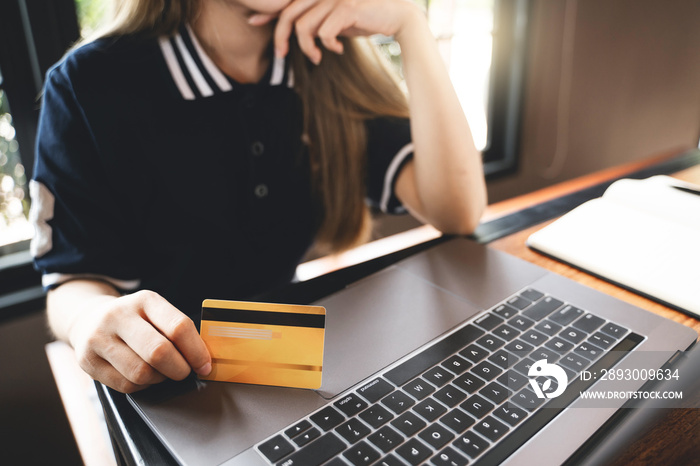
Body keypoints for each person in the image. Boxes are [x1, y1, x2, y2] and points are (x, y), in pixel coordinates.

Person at [30, 0, 487, 394]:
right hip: (167, 381)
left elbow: (458, 210)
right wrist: (89, 318)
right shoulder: (88, 84)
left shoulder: (327, 55)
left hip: (288, 365)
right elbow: (72, 281)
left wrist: (410, 24)